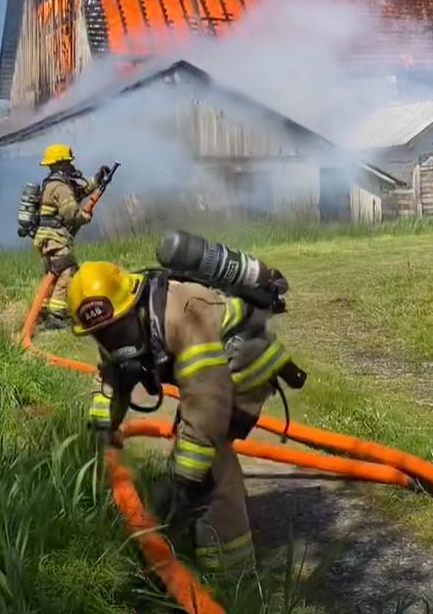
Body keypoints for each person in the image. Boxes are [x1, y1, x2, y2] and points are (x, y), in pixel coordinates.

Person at [65, 246, 294, 576]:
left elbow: (207, 407)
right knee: (194, 452)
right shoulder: (121, 321)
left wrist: (182, 479)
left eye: (118, 332)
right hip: (207, 377)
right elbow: (111, 379)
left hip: (243, 368)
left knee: (209, 461)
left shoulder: (185, 315)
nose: (116, 346)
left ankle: (232, 570)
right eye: (103, 337)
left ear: (135, 305)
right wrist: (101, 427)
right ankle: (214, 516)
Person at [34, 144, 112, 329]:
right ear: (59, 164)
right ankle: (55, 315)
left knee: (54, 274)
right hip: (54, 237)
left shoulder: (54, 184)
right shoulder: (60, 188)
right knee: (66, 271)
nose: (70, 166)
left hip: (47, 238)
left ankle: (44, 312)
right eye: (67, 162)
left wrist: (98, 178)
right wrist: (85, 217)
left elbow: (80, 190)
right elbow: (71, 215)